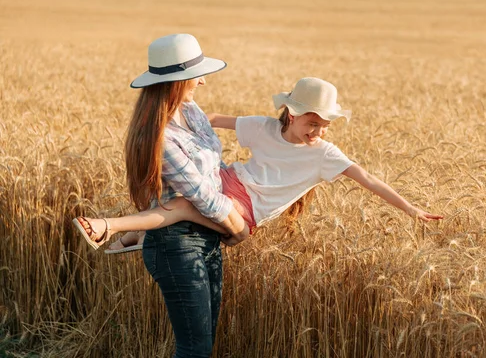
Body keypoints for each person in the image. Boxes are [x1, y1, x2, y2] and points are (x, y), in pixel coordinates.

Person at [73, 77, 443, 256]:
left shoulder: (325, 154)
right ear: (292, 114)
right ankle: (133, 237)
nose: (319, 130)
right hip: (225, 179)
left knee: (184, 208)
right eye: (313, 122)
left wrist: (411, 208)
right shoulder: (264, 127)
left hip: (244, 212)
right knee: (179, 197)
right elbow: (214, 120)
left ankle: (113, 228)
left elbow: (368, 179)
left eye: (325, 124)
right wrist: (165, 114)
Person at [72, 33, 249, 358]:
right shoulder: (160, 136)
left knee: (203, 346)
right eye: (196, 75)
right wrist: (236, 226)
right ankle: (123, 229)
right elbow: (201, 195)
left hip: (208, 238)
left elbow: (213, 167)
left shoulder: (191, 110)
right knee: (194, 349)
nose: (204, 82)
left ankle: (129, 230)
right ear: (176, 81)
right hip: (176, 246)